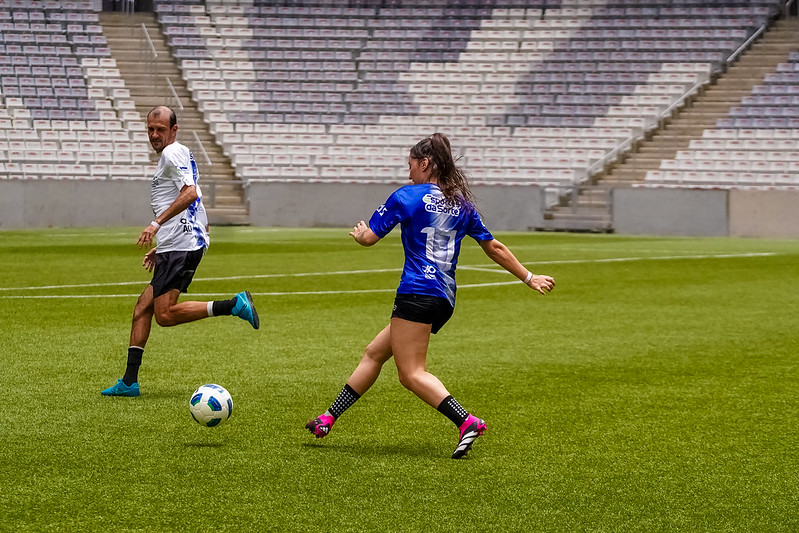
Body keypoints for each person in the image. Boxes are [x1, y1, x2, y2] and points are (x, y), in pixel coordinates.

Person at [305, 133, 555, 458]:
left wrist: (359, 233)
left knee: (411, 374)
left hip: (416, 292)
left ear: (425, 163)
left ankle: (466, 421)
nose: (408, 172)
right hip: (444, 298)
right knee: (374, 353)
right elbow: (493, 247)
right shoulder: (462, 204)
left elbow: (369, 238)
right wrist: (529, 277)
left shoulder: (407, 197)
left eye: (411, 165)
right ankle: (328, 418)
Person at [102, 106, 259, 397]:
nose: (154, 135)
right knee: (142, 308)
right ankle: (128, 382)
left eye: (161, 129)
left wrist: (155, 225)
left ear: (174, 130)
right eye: (150, 129)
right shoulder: (179, 153)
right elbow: (191, 199)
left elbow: (191, 194)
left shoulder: (171, 153)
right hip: (175, 244)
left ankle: (233, 305)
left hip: (181, 246)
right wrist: (161, 245)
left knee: (165, 314)